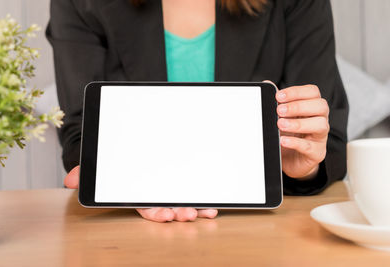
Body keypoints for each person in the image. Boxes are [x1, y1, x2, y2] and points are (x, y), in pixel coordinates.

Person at [46, 0, 348, 223]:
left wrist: (301, 164)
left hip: (260, 228)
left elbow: (328, 138)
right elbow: (81, 132)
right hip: (131, 230)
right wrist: (127, 183)